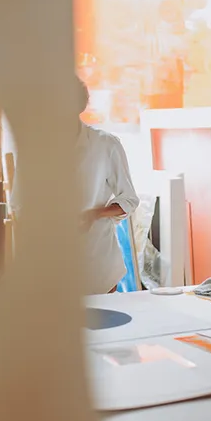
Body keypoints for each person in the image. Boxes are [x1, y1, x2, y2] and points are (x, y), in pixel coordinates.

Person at [74, 79, 140, 294]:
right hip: (51, 260)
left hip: (97, 259)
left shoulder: (105, 144)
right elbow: (20, 206)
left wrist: (94, 214)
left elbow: (129, 200)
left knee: (103, 314)